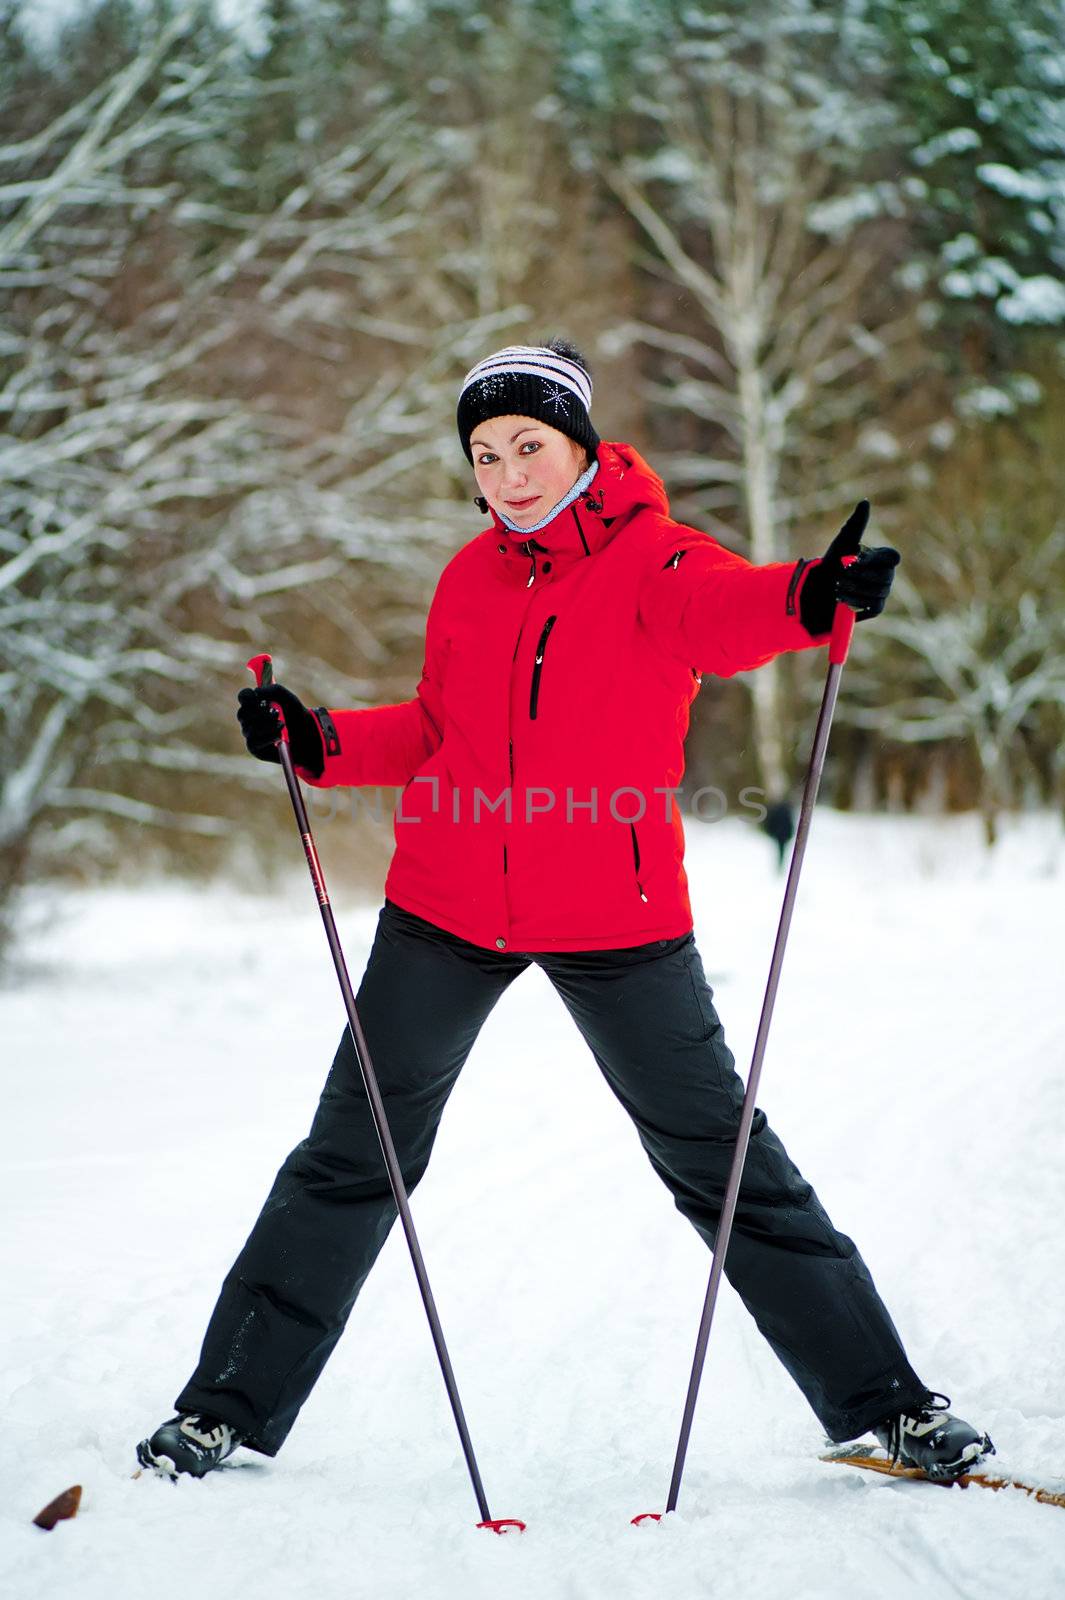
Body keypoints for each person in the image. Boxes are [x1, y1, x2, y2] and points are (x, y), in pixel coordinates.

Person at [137, 339, 990, 1484]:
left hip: (615, 914)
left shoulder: (652, 559)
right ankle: (222, 1408)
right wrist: (321, 737)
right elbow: (439, 730)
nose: (508, 474)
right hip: (443, 906)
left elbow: (725, 612)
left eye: (529, 445)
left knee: (723, 1159)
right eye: (486, 454)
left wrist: (809, 596)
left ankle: (890, 1404)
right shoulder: (466, 578)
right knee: (353, 1153)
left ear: (582, 445)